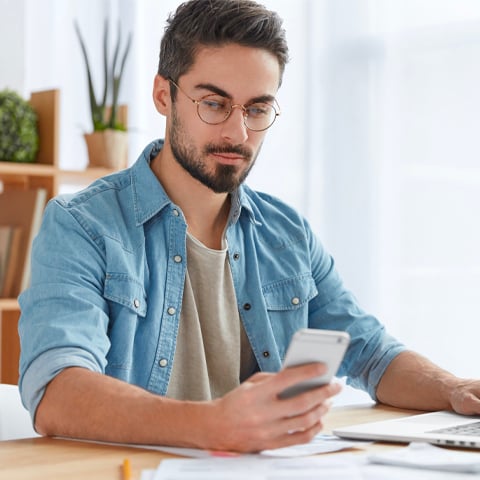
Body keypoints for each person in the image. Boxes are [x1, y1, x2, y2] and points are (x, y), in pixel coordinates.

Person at [18, 0, 480, 453]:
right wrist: (212, 425)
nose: (238, 134)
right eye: (214, 103)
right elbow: (56, 390)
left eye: (257, 109)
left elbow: (372, 354)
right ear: (164, 95)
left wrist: (454, 388)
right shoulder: (82, 225)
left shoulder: (287, 233)